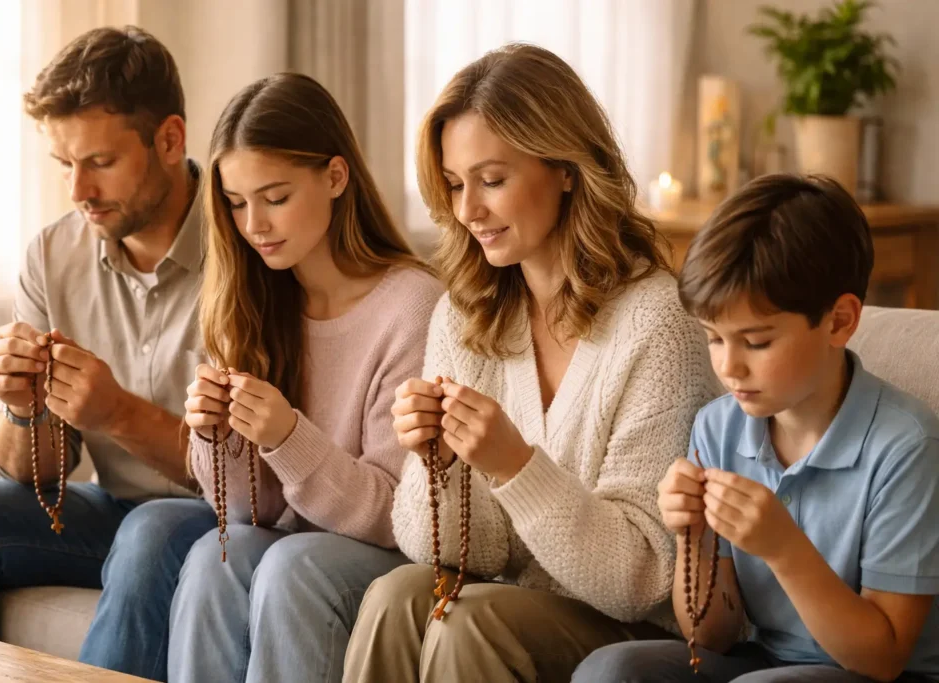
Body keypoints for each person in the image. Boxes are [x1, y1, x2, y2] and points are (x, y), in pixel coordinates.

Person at [342, 43, 721, 683]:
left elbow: (642, 577)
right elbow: (460, 547)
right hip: (515, 600)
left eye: (492, 181)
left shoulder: (656, 322)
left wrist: (513, 464)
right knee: (393, 596)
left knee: (471, 619)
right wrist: (440, 466)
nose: (468, 212)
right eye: (456, 185)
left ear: (567, 168)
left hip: (628, 630)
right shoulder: (465, 315)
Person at [0, 26, 216, 681]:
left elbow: (251, 473)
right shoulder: (53, 255)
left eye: (100, 162)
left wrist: (116, 411)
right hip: (110, 512)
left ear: (169, 139)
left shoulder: (247, 244)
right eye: (64, 164)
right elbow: (37, 471)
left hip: (223, 519)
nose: (77, 189)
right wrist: (22, 408)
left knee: (154, 531)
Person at [573, 174, 939, 682]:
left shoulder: (906, 446)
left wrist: (783, 547)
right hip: (760, 665)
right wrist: (693, 537)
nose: (730, 368)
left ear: (839, 321)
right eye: (714, 339)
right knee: (612, 669)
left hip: (875, 676)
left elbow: (883, 656)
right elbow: (711, 635)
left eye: (757, 342)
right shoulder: (718, 428)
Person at [166, 72, 444, 683]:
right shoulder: (249, 299)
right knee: (217, 555)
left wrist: (288, 436)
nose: (254, 224)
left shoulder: (412, 307)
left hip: (389, 558)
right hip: (289, 547)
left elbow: (398, 514)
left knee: (293, 563)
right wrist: (216, 437)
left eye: (275, 196)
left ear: (336, 177)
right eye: (236, 203)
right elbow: (243, 514)